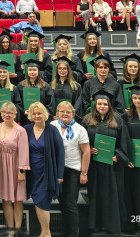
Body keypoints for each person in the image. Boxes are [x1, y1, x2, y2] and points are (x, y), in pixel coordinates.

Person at [82, 89, 130, 235]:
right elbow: (82, 141)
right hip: (94, 165)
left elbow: (124, 142)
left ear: (109, 105)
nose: (102, 106)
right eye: (99, 104)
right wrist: (89, 148)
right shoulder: (87, 120)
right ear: (95, 105)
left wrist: (118, 156)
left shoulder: (118, 121)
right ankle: (95, 225)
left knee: (111, 195)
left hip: (112, 166)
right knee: (95, 194)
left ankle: (111, 226)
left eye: (105, 104)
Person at [51, 101, 90, 237]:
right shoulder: (52, 126)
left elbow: (86, 152)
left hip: (73, 170)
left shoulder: (80, 129)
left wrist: (84, 173)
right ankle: (67, 231)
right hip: (57, 170)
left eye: (68, 112)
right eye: (62, 111)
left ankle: (73, 233)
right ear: (58, 113)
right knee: (62, 202)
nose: (65, 114)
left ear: (73, 114)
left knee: (70, 202)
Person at [25, 102, 64, 237]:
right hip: (31, 173)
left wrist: (59, 174)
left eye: (39, 113)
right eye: (34, 113)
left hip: (47, 172)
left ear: (45, 114)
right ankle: (44, 232)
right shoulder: (27, 129)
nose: (37, 116)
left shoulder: (52, 130)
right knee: (37, 200)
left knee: (43, 200)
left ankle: (46, 232)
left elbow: (60, 152)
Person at [0, 101, 30, 233]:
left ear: (15, 114)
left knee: (18, 199)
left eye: (9, 113)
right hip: (0, 167)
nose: (6, 115)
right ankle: (10, 231)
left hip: (15, 167)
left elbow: (24, 152)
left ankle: (17, 231)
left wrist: (22, 171)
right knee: (6, 199)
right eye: (3, 112)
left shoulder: (21, 131)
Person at [17, 59, 55, 125]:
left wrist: (42, 113)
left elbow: (50, 104)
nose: (32, 72)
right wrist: (23, 111)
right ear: (27, 71)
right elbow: (18, 102)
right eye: (30, 70)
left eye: (34, 70)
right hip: (26, 119)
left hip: (41, 119)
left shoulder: (45, 86)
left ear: (38, 71)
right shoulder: (21, 86)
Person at [125, 84, 140, 235]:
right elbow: (125, 139)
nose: (137, 101)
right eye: (135, 98)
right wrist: (127, 157)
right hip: (134, 163)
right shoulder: (127, 117)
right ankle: (136, 222)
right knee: (135, 193)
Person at [51, 57, 83, 121]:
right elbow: (50, 103)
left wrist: (72, 116)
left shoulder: (76, 86)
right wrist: (52, 116)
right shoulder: (52, 85)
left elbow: (78, 105)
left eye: (64, 68)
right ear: (57, 70)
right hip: (55, 119)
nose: (62, 71)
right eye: (60, 68)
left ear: (68, 70)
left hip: (70, 119)